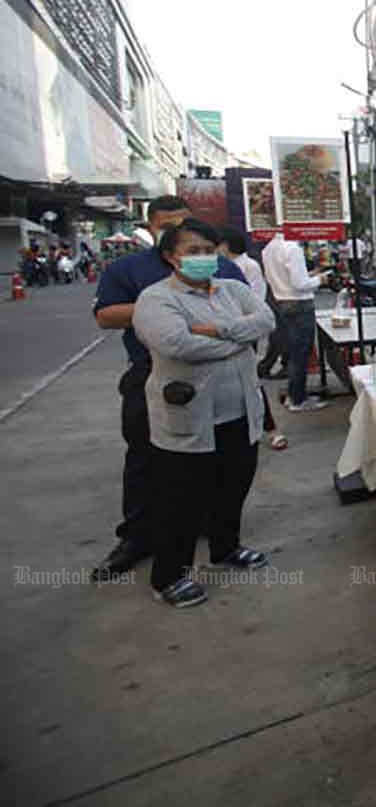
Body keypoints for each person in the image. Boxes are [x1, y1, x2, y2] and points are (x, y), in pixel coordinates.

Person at [91, 196, 247, 579]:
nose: (180, 232)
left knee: (227, 457)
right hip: (154, 374)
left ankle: (217, 534)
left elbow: (252, 316)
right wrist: (168, 311)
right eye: (168, 225)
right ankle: (138, 537)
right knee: (148, 459)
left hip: (222, 373)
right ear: (155, 230)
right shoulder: (129, 269)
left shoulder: (223, 269)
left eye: (186, 224)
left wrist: (191, 318)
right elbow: (106, 315)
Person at [133, 219, 276, 607]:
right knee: (181, 501)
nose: (203, 257)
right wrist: (237, 340)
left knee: (234, 487)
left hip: (239, 412)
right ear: (170, 257)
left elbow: (266, 321)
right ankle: (169, 575)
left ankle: (226, 548)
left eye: (209, 250)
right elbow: (177, 343)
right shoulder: (156, 299)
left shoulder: (231, 288)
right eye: (193, 251)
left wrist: (212, 330)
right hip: (191, 418)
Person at [221, 228, 287, 451]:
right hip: (221, 336)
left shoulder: (246, 266)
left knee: (249, 381)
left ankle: (271, 429)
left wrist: (236, 327)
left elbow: (257, 304)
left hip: (242, 333)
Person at [261, 231, 333, 412]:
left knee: (294, 352)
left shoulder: (268, 248)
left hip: (282, 302)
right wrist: (320, 279)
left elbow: (287, 277)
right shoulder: (292, 248)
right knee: (300, 354)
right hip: (300, 305)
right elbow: (300, 284)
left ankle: (294, 395)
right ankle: (297, 399)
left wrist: (311, 274)